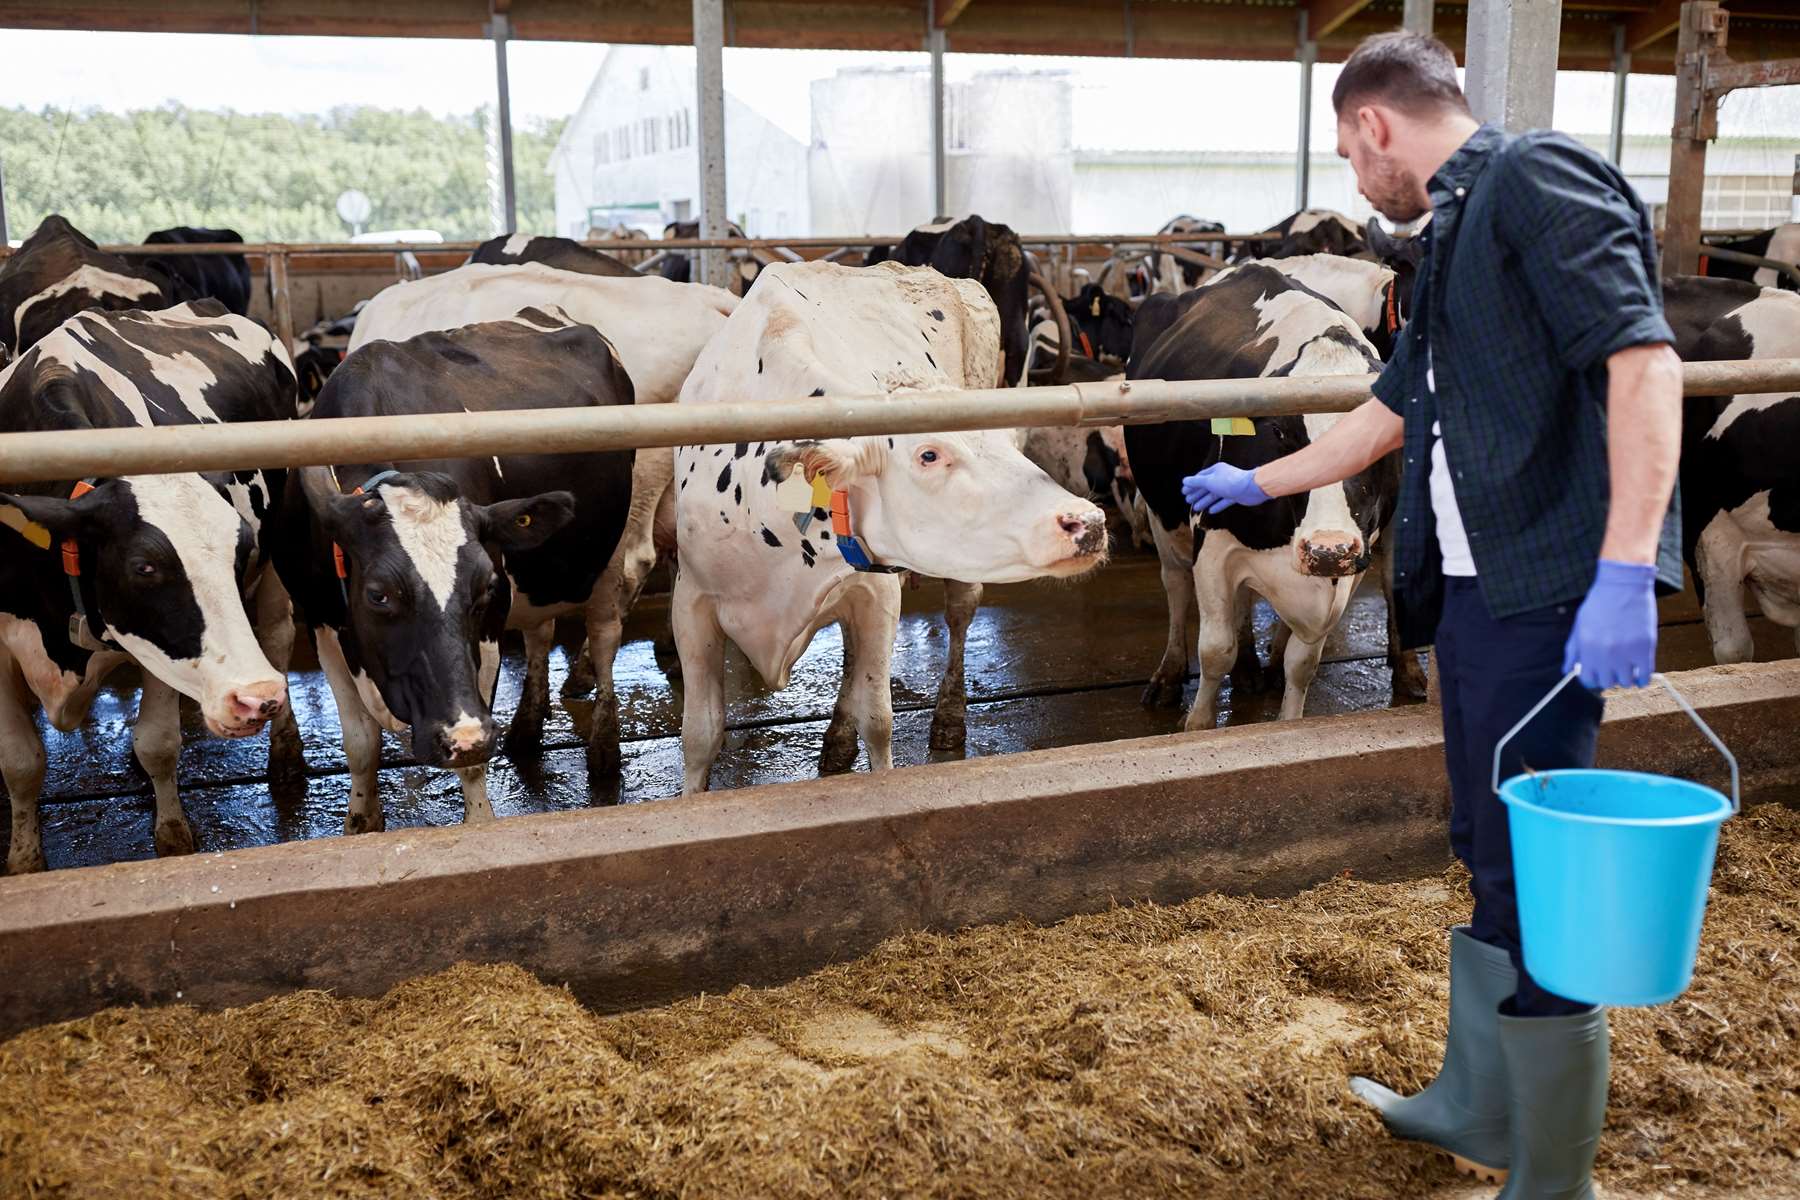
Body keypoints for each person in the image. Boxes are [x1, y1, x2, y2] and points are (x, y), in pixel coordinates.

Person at [1182, 31, 1683, 1200]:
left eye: (1350, 159)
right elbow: (1388, 412)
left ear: (1372, 128)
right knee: (1486, 848)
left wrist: (1623, 570)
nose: (1357, 184)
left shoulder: (1535, 178)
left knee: (1540, 876)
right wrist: (1261, 484)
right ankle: (1477, 1104)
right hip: (1472, 591)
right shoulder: (1456, 233)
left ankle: (1552, 1177)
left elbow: (1645, 364)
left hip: (1546, 591)